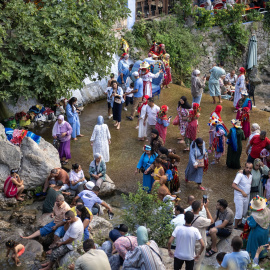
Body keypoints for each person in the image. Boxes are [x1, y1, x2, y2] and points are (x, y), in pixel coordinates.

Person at [191, 200, 214, 270]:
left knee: (190, 262)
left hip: (190, 242)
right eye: (200, 206)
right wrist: (206, 208)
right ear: (199, 209)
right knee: (197, 263)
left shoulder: (189, 216)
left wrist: (198, 204)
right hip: (199, 244)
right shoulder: (201, 220)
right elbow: (212, 221)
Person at [232, 162, 253, 229]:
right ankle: (235, 226)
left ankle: (240, 223)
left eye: (250, 168)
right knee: (239, 212)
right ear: (244, 167)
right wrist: (242, 191)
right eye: (247, 167)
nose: (248, 169)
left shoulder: (251, 176)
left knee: (244, 212)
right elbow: (233, 185)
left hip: (247, 196)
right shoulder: (240, 175)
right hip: (239, 196)